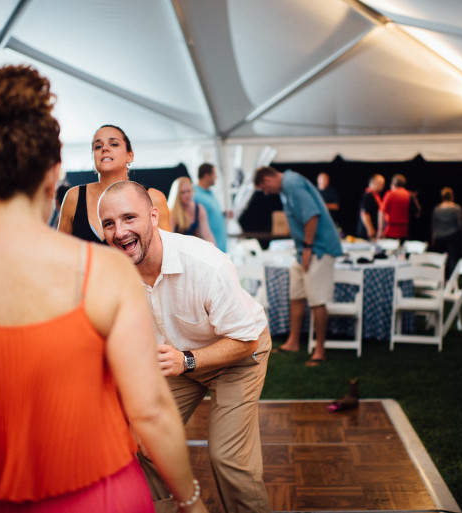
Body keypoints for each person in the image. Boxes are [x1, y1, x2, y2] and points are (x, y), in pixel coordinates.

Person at [0, 63, 206, 513]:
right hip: (101, 500)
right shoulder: (107, 272)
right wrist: (192, 501)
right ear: (55, 175)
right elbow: (149, 410)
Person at [99, 180, 271, 513]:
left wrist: (187, 361)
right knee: (147, 441)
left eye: (129, 218)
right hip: (177, 357)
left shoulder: (206, 264)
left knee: (228, 458)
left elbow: (246, 339)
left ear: (153, 216)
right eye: (109, 223)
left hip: (237, 354)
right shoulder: (113, 274)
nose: (119, 232)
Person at [254, 166, 343, 366]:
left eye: (264, 189)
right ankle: (293, 342)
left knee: (317, 299)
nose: (266, 193)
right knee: (296, 294)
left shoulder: (292, 183)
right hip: (303, 250)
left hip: (319, 249)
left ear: (267, 180)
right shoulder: (286, 188)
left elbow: (312, 214)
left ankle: (319, 349)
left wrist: (308, 247)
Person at [57, 124, 171, 241]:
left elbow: (168, 250)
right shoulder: (74, 197)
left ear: (130, 155)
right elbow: (59, 247)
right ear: (93, 158)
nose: (104, 148)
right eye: (98, 146)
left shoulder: (154, 198)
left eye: (114, 144)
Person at [168, 176, 215, 244]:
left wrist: (214, 248)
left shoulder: (199, 209)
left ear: (192, 191)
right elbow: (169, 238)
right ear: (177, 195)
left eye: (188, 191)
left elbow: (207, 234)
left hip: (193, 246)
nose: (187, 195)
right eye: (182, 192)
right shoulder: (172, 212)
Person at [194, 163, 229, 252]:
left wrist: (222, 214)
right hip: (209, 249)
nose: (216, 177)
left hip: (220, 247)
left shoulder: (210, 193)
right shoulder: (194, 194)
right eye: (214, 174)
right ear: (207, 176)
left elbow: (210, 213)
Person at [431, 187, 462, 279]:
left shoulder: (437, 209)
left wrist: (433, 236)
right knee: (452, 259)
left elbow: (434, 225)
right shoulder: (456, 208)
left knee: (441, 259)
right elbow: (460, 224)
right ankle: (452, 280)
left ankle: (441, 278)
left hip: (439, 237)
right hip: (452, 236)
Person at [378, 174, 418, 241]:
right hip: (405, 230)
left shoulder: (390, 194)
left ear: (393, 184)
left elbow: (382, 212)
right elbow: (417, 213)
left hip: (390, 230)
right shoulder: (409, 195)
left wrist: (380, 230)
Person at [357, 174, 385, 240]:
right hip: (367, 232)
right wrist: (370, 229)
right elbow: (364, 213)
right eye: (381, 183)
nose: (383, 186)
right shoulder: (368, 195)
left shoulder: (375, 195)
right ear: (373, 182)